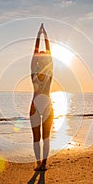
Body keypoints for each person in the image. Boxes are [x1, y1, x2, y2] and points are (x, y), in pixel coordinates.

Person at [30, 23, 54, 171]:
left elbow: (49, 53)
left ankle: (43, 164)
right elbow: (35, 53)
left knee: (45, 137)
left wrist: (45, 37)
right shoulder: (33, 72)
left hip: (46, 107)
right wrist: (39, 36)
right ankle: (39, 163)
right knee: (37, 138)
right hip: (35, 106)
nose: (43, 59)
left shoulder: (49, 73)